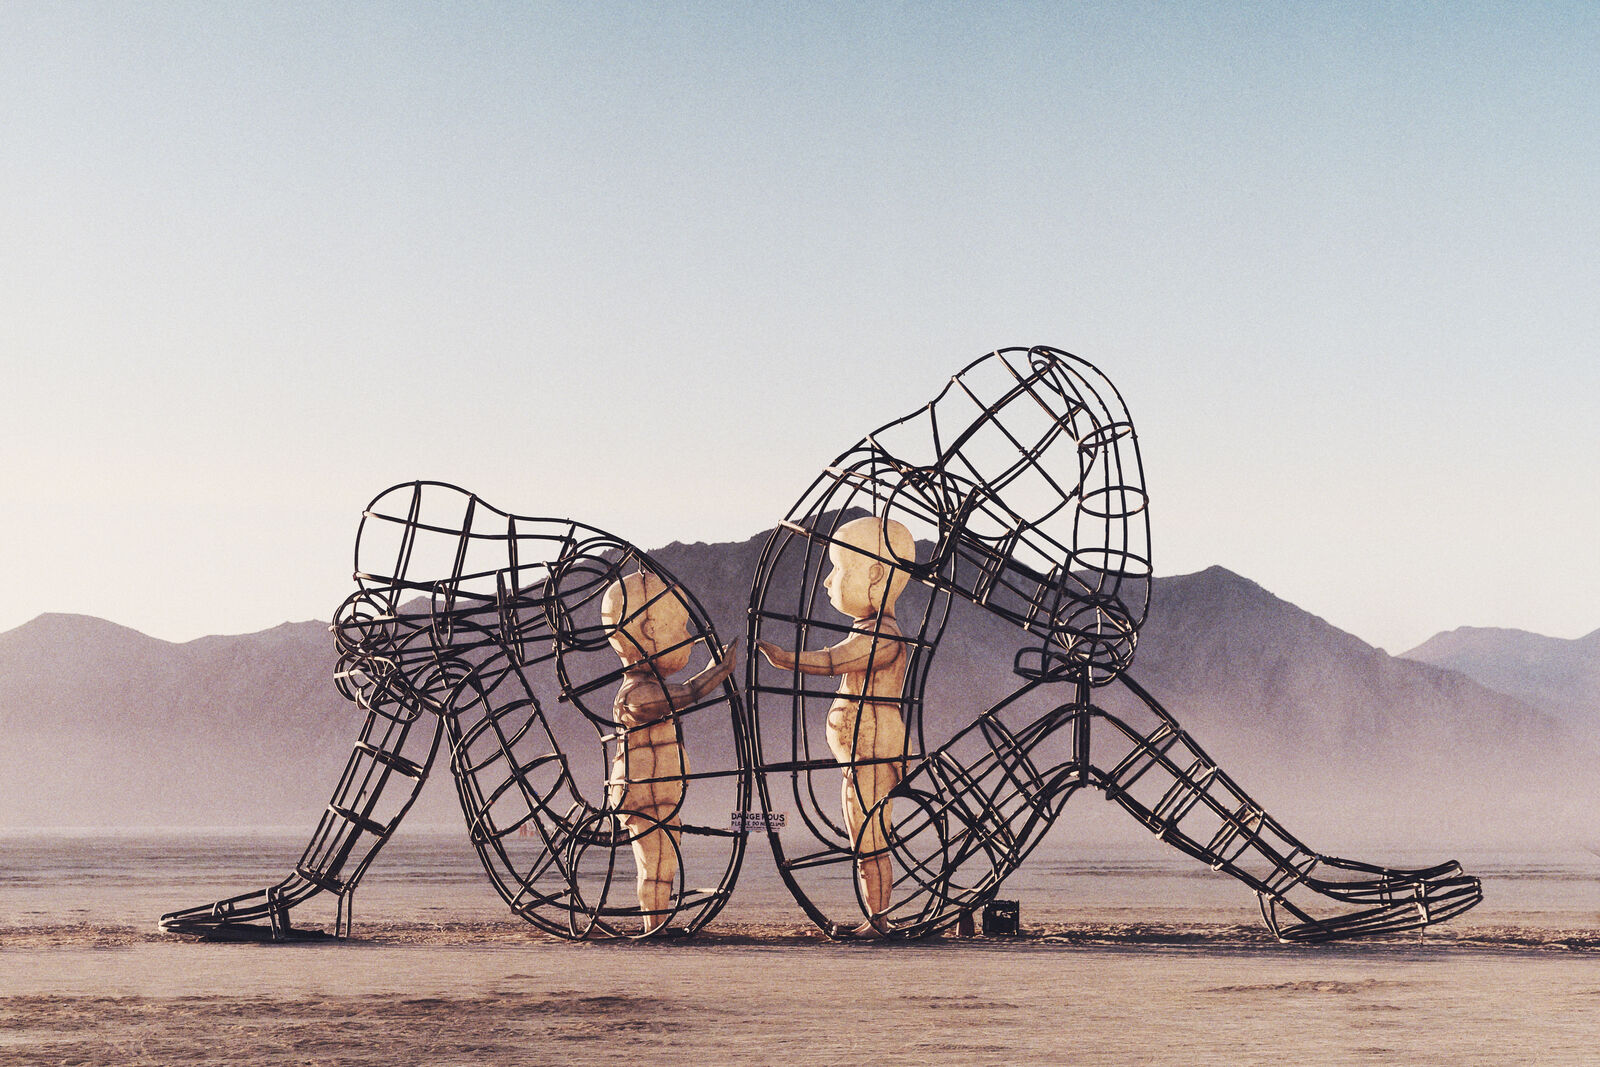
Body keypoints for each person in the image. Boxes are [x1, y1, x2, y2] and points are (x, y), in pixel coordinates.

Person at [757, 515, 914, 936]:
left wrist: (787, 658)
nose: (827, 582)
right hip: (856, 756)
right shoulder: (866, 631)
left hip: (873, 753)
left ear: (876, 574)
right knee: (863, 841)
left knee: (871, 841)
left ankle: (877, 920)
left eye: (839, 570)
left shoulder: (883, 636)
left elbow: (833, 660)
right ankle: (875, 917)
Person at [601, 569, 736, 933]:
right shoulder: (634, 694)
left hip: (660, 790)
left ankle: (657, 920)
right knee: (655, 860)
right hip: (639, 790)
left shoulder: (644, 688)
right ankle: (653, 923)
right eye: (679, 627)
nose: (689, 638)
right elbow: (683, 696)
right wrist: (715, 673)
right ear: (649, 631)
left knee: (663, 861)